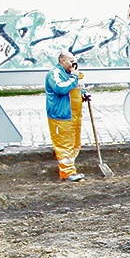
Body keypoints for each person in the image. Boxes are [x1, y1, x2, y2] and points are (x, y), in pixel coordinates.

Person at [45, 50, 89, 182]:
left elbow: (74, 89)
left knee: (74, 143)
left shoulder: (70, 74)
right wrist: (74, 78)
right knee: (64, 144)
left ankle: (70, 168)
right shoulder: (55, 74)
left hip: (74, 115)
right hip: (61, 115)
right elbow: (61, 89)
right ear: (62, 61)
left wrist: (83, 95)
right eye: (71, 61)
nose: (73, 63)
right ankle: (67, 172)